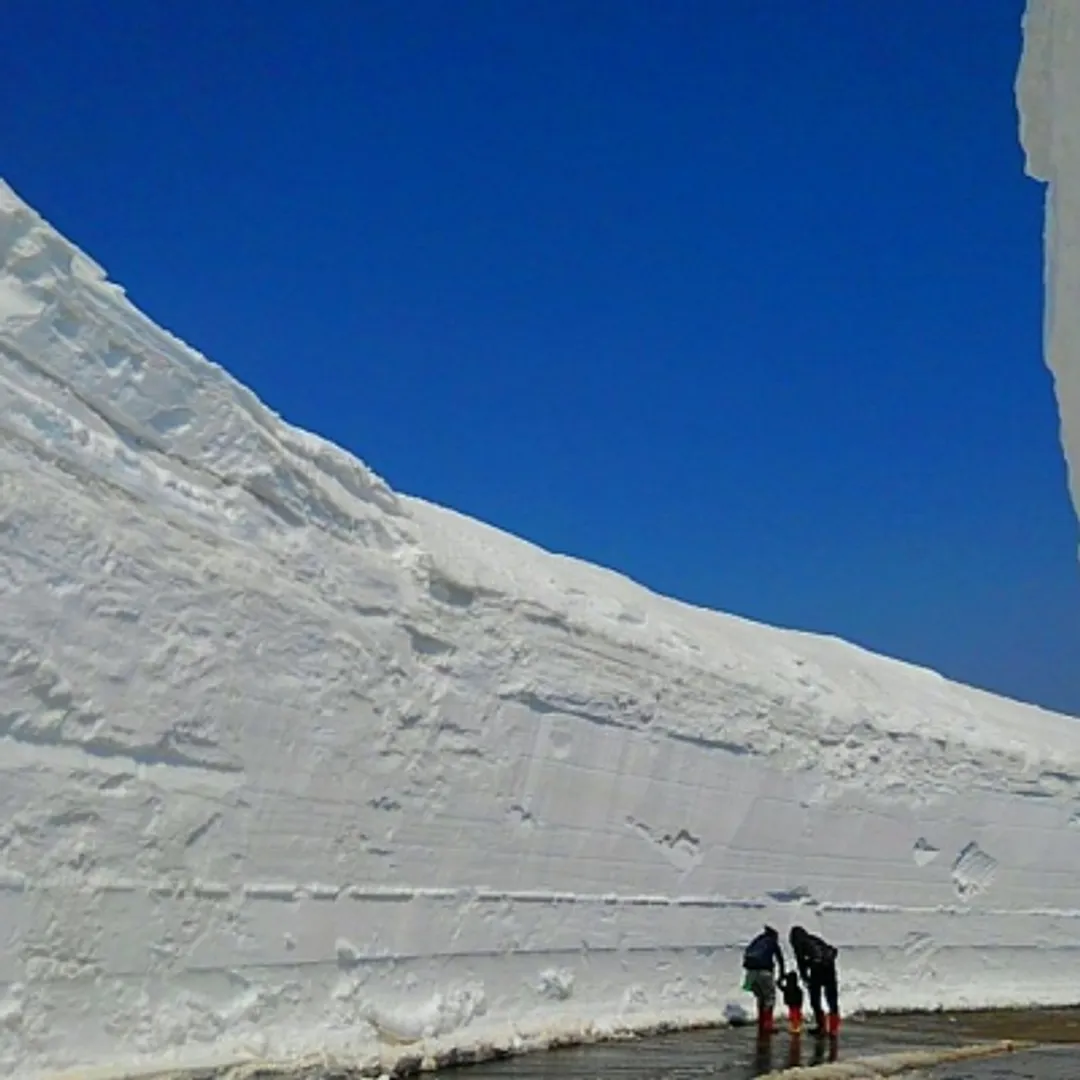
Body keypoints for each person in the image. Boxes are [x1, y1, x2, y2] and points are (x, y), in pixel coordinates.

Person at [788, 925, 839, 1036]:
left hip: (817, 970)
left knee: (815, 1000)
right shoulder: (814, 938)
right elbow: (830, 950)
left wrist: (805, 978)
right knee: (832, 1000)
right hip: (830, 968)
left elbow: (801, 964)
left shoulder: (799, 944)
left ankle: (821, 1027)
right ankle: (834, 1029)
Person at [742, 925, 786, 1035]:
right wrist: (781, 975)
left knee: (760, 998)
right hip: (765, 972)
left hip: (751, 973)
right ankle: (767, 1026)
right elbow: (780, 959)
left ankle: (761, 1024)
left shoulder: (756, 941)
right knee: (770, 998)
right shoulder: (772, 942)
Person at [779, 970, 804, 1034]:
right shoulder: (798, 989)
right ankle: (797, 1027)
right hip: (797, 1004)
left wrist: (781, 978)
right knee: (797, 1014)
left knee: (793, 1015)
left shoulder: (787, 988)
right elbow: (801, 997)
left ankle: (795, 1027)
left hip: (791, 1004)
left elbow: (779, 984)